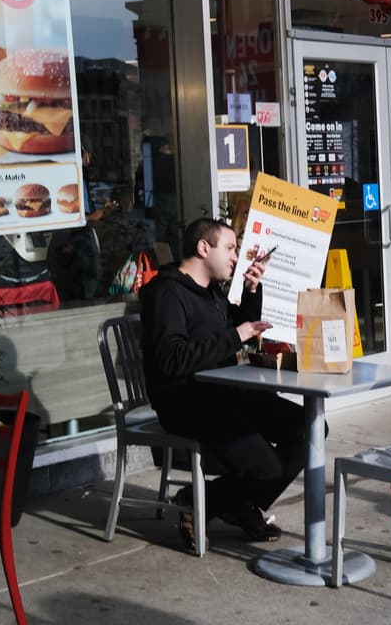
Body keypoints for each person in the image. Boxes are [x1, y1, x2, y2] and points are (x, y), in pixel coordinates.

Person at [140, 217, 310, 552]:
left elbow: (237, 331)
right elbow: (171, 361)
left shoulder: (212, 293)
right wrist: (236, 335)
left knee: (309, 427)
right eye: (230, 248)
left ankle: (229, 504)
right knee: (266, 467)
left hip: (226, 394)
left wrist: (251, 291)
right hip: (188, 402)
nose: (236, 257)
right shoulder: (165, 293)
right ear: (204, 247)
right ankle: (206, 503)